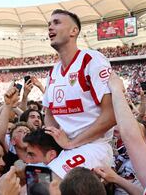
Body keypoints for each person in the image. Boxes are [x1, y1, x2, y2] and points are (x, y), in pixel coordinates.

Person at [43, 9, 116, 178]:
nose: (50, 28)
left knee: (53, 182)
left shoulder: (92, 60)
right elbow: (49, 113)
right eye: (49, 24)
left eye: (57, 22)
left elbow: (111, 115)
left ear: (74, 31)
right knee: (32, 177)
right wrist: (56, 139)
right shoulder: (53, 71)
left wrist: (71, 143)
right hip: (66, 148)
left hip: (95, 146)